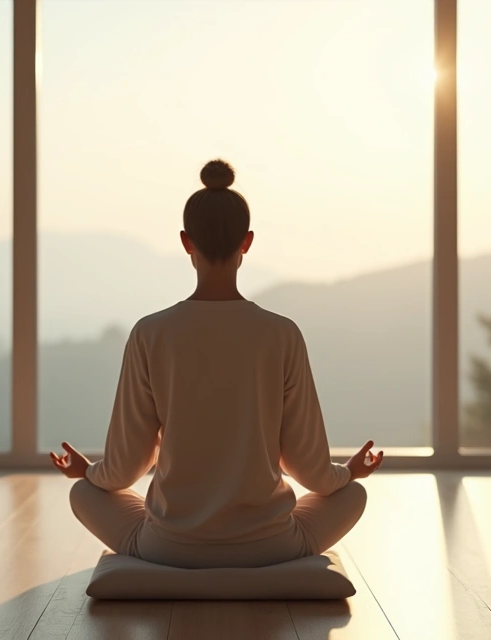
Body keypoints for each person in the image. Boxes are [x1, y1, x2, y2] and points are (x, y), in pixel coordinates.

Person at [49, 159, 383, 569]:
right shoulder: (282, 334)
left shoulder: (150, 333)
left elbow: (125, 468)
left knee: (82, 494)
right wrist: (347, 474)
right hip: (271, 546)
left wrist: (88, 473)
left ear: (187, 241)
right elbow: (309, 469)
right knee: (354, 495)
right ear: (247, 242)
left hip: (168, 546)